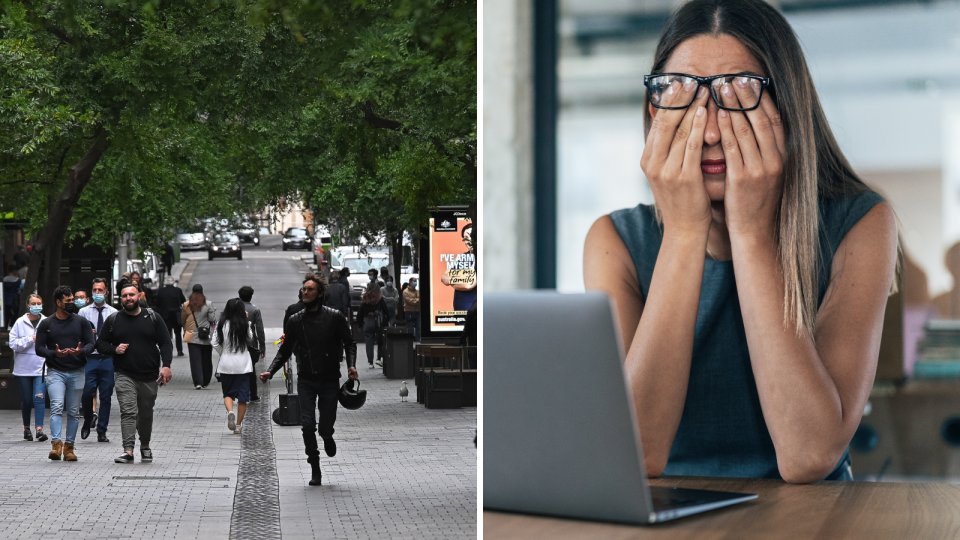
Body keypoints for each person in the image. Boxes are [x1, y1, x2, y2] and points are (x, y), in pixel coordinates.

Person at [582, 0, 898, 484]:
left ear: (787, 108)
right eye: (683, 93)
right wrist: (685, 234)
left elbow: (810, 454)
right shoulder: (615, 241)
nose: (709, 130)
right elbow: (634, 454)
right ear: (655, 109)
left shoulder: (861, 223)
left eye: (740, 92)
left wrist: (750, 231)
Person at [261, 274, 358, 486]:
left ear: (320, 294)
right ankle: (315, 467)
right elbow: (285, 350)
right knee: (307, 425)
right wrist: (271, 371)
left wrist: (351, 365)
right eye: (304, 289)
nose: (305, 292)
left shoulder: (334, 317)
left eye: (310, 289)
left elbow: (350, 342)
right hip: (306, 379)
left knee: (324, 426)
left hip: (329, 379)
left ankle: (328, 435)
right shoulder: (296, 321)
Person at [96, 283, 173, 464]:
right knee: (128, 412)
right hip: (125, 374)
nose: (128, 298)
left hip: (149, 375)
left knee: (145, 413)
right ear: (119, 298)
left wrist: (166, 366)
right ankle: (128, 450)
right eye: (124, 296)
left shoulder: (153, 317)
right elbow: (100, 344)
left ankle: (144, 446)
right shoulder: (114, 319)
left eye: (131, 295)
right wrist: (115, 349)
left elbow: (165, 343)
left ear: (139, 296)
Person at [35, 285, 95, 461]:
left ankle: (69, 447)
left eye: (72, 300)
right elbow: (39, 348)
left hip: (77, 371)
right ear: (58, 302)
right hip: (55, 371)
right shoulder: (47, 323)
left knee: (74, 411)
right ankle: (56, 444)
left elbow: (92, 344)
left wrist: (81, 351)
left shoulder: (81, 321)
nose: (71, 303)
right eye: (68, 301)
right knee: (57, 406)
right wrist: (54, 353)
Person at [78, 278, 118, 442]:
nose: (97, 293)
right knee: (87, 392)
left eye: (100, 290)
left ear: (106, 292)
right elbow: (77, 333)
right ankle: (88, 419)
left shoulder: (114, 313)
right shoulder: (84, 312)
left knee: (106, 396)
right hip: (90, 358)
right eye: (94, 290)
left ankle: (102, 430)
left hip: (107, 358)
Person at [9, 293, 48, 442]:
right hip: (23, 369)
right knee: (26, 399)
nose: (36, 306)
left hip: (41, 367)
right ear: (28, 305)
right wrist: (30, 339)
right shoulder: (20, 322)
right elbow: (13, 344)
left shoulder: (46, 322)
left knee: (39, 398)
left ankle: (39, 429)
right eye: (33, 303)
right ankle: (27, 428)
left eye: (39, 303)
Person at [214, 298, 255, 433]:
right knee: (243, 397)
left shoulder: (221, 324)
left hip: (226, 364)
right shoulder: (244, 324)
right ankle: (238, 425)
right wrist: (248, 322)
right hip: (243, 364)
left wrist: (223, 353)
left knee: (228, 393)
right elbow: (250, 339)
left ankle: (230, 411)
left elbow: (214, 342)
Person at [182, 284, 217, 389]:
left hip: (192, 335)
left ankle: (198, 382)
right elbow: (212, 319)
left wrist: (186, 328)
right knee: (206, 358)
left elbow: (183, 320)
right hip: (205, 335)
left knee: (195, 360)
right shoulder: (208, 304)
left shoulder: (186, 305)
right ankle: (206, 380)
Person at [440, 223, 477, 312]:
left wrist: (454, 278)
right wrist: (465, 277)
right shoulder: (462, 257)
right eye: (466, 238)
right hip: (461, 306)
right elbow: (444, 278)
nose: (469, 240)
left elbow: (469, 284)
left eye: (472, 236)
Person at [237, 286, 265, 402]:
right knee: (251, 369)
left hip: (237, 342)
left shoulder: (235, 309)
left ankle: (239, 392)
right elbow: (259, 329)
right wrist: (262, 347)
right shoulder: (255, 310)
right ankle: (253, 394)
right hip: (251, 343)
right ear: (251, 296)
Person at [356, 282, 389, 369]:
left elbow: (360, 313)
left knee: (369, 342)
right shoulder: (379, 298)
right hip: (378, 321)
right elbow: (385, 310)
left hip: (368, 321)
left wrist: (360, 324)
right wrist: (387, 321)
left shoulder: (365, 298)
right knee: (380, 341)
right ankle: (379, 358)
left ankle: (370, 362)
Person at [157, 277, 186, 356]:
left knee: (167, 334)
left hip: (165, 315)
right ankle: (179, 350)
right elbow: (183, 300)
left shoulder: (161, 291)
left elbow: (157, 303)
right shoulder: (177, 290)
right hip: (176, 315)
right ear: (173, 282)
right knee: (178, 333)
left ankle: (169, 350)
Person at [403, 277, 421, 342]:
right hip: (409, 311)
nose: (415, 282)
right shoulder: (405, 292)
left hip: (417, 311)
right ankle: (409, 340)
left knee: (418, 327)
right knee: (410, 327)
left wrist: (416, 300)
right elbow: (410, 301)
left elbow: (418, 300)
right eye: (414, 281)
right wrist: (417, 300)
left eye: (416, 281)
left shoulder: (417, 291)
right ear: (410, 282)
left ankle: (417, 340)